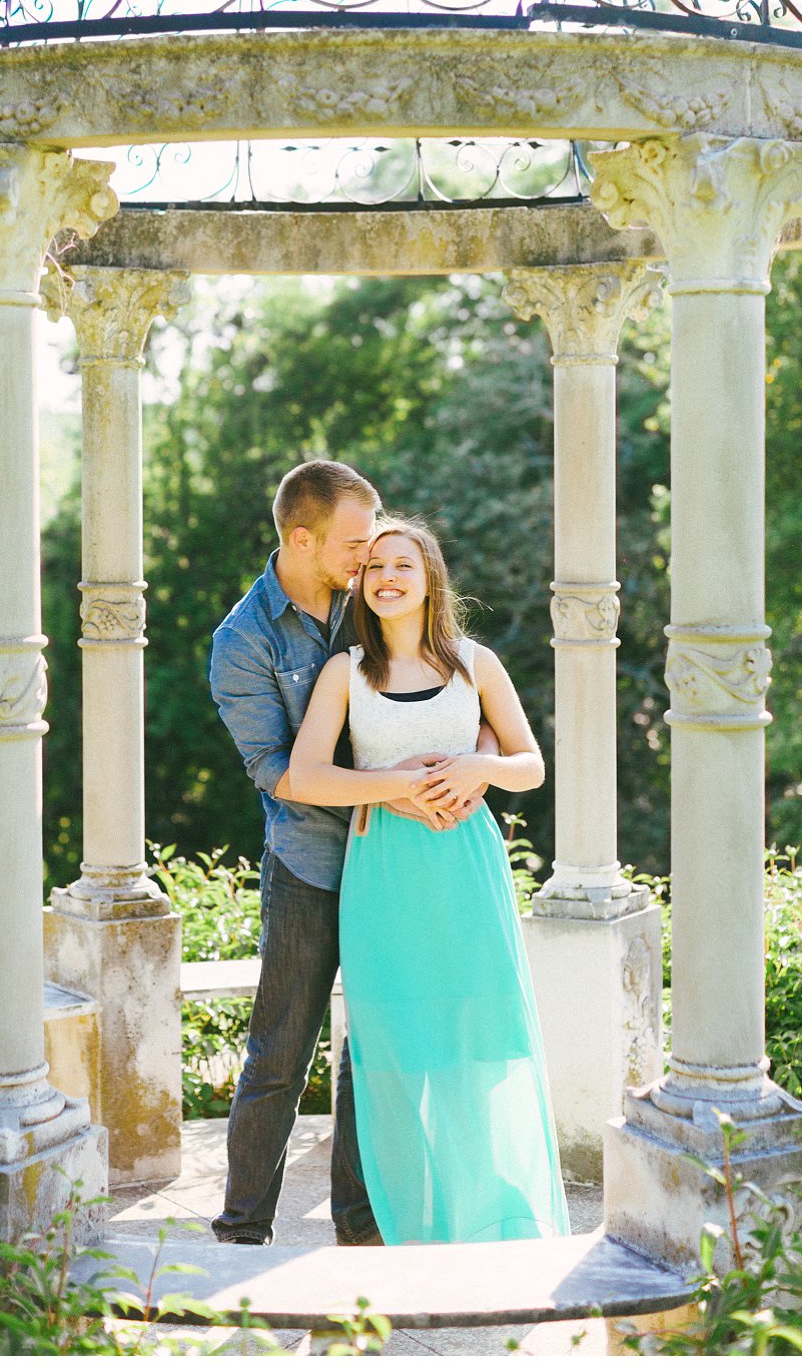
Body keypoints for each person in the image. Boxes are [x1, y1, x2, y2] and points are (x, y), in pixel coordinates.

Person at [208, 461, 492, 1247]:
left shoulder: (368, 602)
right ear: (302, 540)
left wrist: (474, 762)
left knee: (371, 1052)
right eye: (356, 544)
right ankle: (240, 1229)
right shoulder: (242, 642)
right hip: (309, 865)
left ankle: (360, 1228)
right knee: (281, 1054)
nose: (371, 559)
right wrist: (384, 789)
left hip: (398, 866)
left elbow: (451, 681)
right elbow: (277, 773)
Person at [283, 518, 569, 1244]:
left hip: (465, 871)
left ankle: (488, 1212)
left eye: (401, 564)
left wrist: (478, 767)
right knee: (395, 1045)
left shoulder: (477, 664)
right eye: (374, 566)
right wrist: (388, 786)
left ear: (429, 576)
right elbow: (304, 776)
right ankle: (407, 1220)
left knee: (476, 1038)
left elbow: (529, 765)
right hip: (386, 875)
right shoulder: (345, 671)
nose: (386, 577)